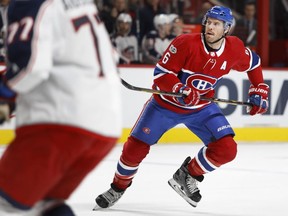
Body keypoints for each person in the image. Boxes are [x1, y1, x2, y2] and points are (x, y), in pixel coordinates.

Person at [94, 5, 269, 209]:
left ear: (227, 29)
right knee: (133, 150)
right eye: (209, 22)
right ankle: (117, 187)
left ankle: (188, 174)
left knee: (227, 149)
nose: (210, 27)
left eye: (216, 24)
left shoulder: (234, 48)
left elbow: (254, 63)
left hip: (201, 108)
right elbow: (161, 73)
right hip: (164, 106)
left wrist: (258, 88)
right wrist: (181, 88)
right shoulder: (185, 43)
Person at [0, 0, 122, 215]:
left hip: (59, 125)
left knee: (8, 201)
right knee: (44, 204)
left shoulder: (28, 3)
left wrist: (4, 94)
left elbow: (31, 67)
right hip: (105, 128)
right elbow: (112, 56)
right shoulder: (81, 3)